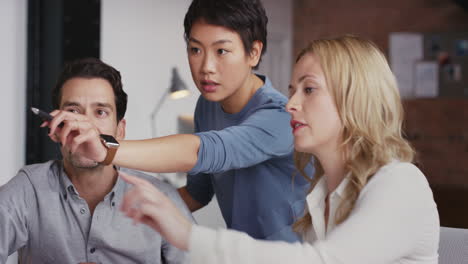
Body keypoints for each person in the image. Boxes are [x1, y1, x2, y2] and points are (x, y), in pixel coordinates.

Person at [119, 35, 440, 264]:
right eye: (292, 90)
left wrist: (186, 235)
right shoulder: (322, 195)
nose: (291, 104)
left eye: (309, 89)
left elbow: (321, 261)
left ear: (353, 99)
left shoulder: (400, 183)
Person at [47, 0, 311, 242]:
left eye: (221, 51)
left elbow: (204, 150)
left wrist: (105, 149)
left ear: (253, 52)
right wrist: (121, 221)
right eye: (196, 49)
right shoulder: (207, 106)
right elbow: (198, 192)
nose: (206, 66)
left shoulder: (280, 117)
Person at [0, 58, 193, 264]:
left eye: (100, 112)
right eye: (73, 111)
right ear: (54, 128)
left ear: (121, 130)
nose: (85, 126)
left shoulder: (160, 197)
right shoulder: (26, 190)